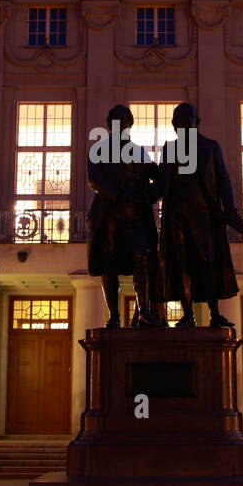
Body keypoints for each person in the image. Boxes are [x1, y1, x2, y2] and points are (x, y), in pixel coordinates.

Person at [157, 103, 243, 329]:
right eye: (178, 119)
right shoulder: (169, 149)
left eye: (187, 118)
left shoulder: (211, 147)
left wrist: (230, 210)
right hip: (177, 214)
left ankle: (214, 313)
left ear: (196, 122)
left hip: (205, 214)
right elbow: (161, 183)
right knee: (181, 264)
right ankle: (188, 315)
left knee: (209, 262)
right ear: (173, 124)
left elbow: (224, 179)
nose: (182, 122)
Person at [86, 105, 163, 328]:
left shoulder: (139, 152)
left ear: (129, 125)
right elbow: (94, 180)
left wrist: (149, 194)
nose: (121, 126)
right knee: (108, 263)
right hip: (108, 216)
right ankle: (114, 316)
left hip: (136, 216)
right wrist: (119, 195)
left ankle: (144, 312)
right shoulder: (98, 150)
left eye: (124, 121)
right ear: (109, 125)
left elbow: (157, 177)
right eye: (116, 121)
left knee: (143, 260)